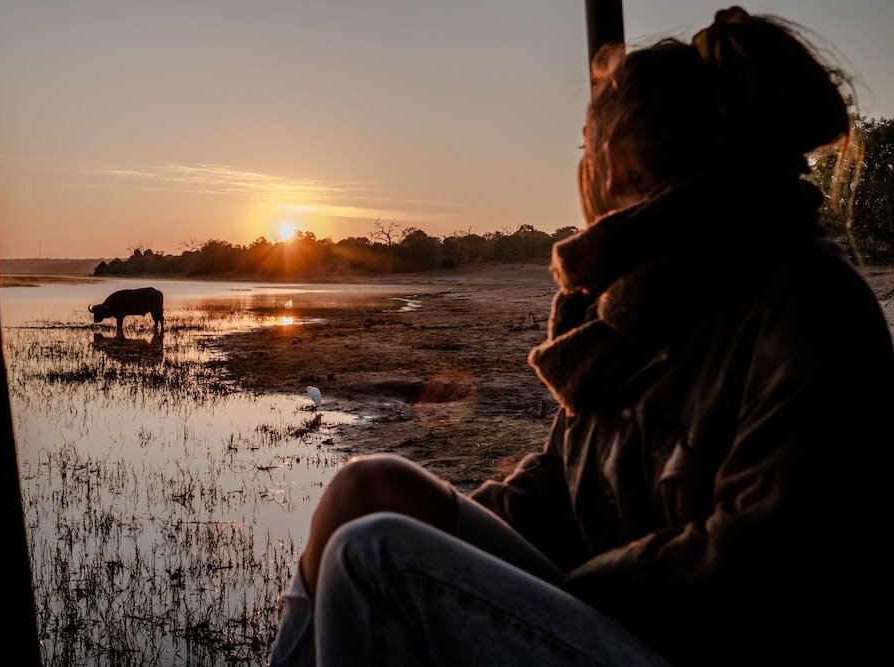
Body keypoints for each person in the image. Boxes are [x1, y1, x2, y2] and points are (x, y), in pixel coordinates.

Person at [270, 7, 894, 666]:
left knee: (376, 556)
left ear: (614, 163)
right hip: (619, 609)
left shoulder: (805, 303)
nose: (580, 170)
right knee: (365, 491)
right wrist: (464, 532)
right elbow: (567, 481)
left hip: (689, 637)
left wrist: (566, 592)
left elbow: (760, 562)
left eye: (583, 146)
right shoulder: (648, 299)